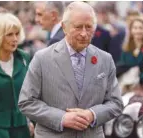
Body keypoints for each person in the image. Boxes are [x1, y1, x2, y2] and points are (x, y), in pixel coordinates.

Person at [18, 2, 123, 138]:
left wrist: (92, 114)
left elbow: (116, 103)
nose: (84, 33)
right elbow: (26, 102)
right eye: (78, 27)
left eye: (89, 27)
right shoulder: (42, 58)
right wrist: (61, 118)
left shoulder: (105, 59)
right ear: (64, 27)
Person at [116, 16, 143, 91]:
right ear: (131, 30)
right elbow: (121, 66)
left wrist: (138, 78)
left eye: (141, 28)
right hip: (126, 88)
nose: (138, 31)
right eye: (135, 28)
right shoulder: (126, 48)